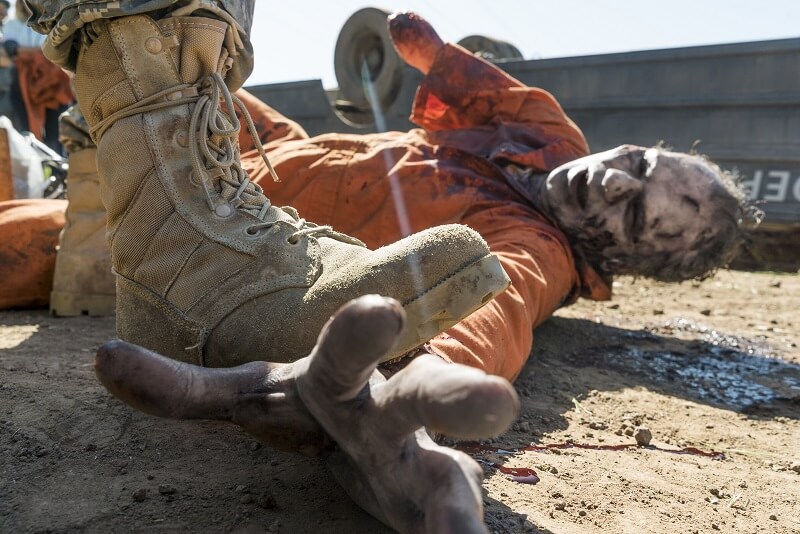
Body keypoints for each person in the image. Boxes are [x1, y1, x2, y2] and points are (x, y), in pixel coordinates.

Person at [12, 5, 747, 533]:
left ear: (616, 257)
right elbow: (449, 65)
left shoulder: (539, 249)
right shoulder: (553, 134)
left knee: (35, 245)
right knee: (174, 59)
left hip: (244, 213)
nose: (617, 183)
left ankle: (103, 214)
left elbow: (496, 305)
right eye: (640, 165)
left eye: (636, 216)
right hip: (275, 148)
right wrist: (425, 50)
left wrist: (407, 388)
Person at [21, 2, 518, 532]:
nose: (616, 177)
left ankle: (139, 269)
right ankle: (140, 258)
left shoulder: (525, 220)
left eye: (623, 205)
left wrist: (392, 375)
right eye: (623, 162)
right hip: (236, 206)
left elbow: (498, 297)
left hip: (252, 236)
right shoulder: (496, 136)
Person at [2, 0, 71, 153]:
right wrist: (40, 52)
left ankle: (56, 171)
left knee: (55, 133)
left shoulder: (54, 22)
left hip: (52, 83)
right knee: (27, 132)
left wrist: (25, 52)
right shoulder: (12, 25)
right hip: (22, 85)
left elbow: (55, 49)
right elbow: (12, 49)